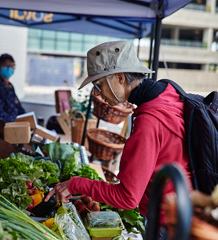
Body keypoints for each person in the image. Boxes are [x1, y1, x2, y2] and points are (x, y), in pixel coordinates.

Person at [45, 41, 193, 235]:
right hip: (185, 208)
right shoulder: (168, 91)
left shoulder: (149, 122)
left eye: (99, 85)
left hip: (167, 223)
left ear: (120, 77)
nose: (97, 94)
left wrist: (75, 184)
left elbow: (127, 198)